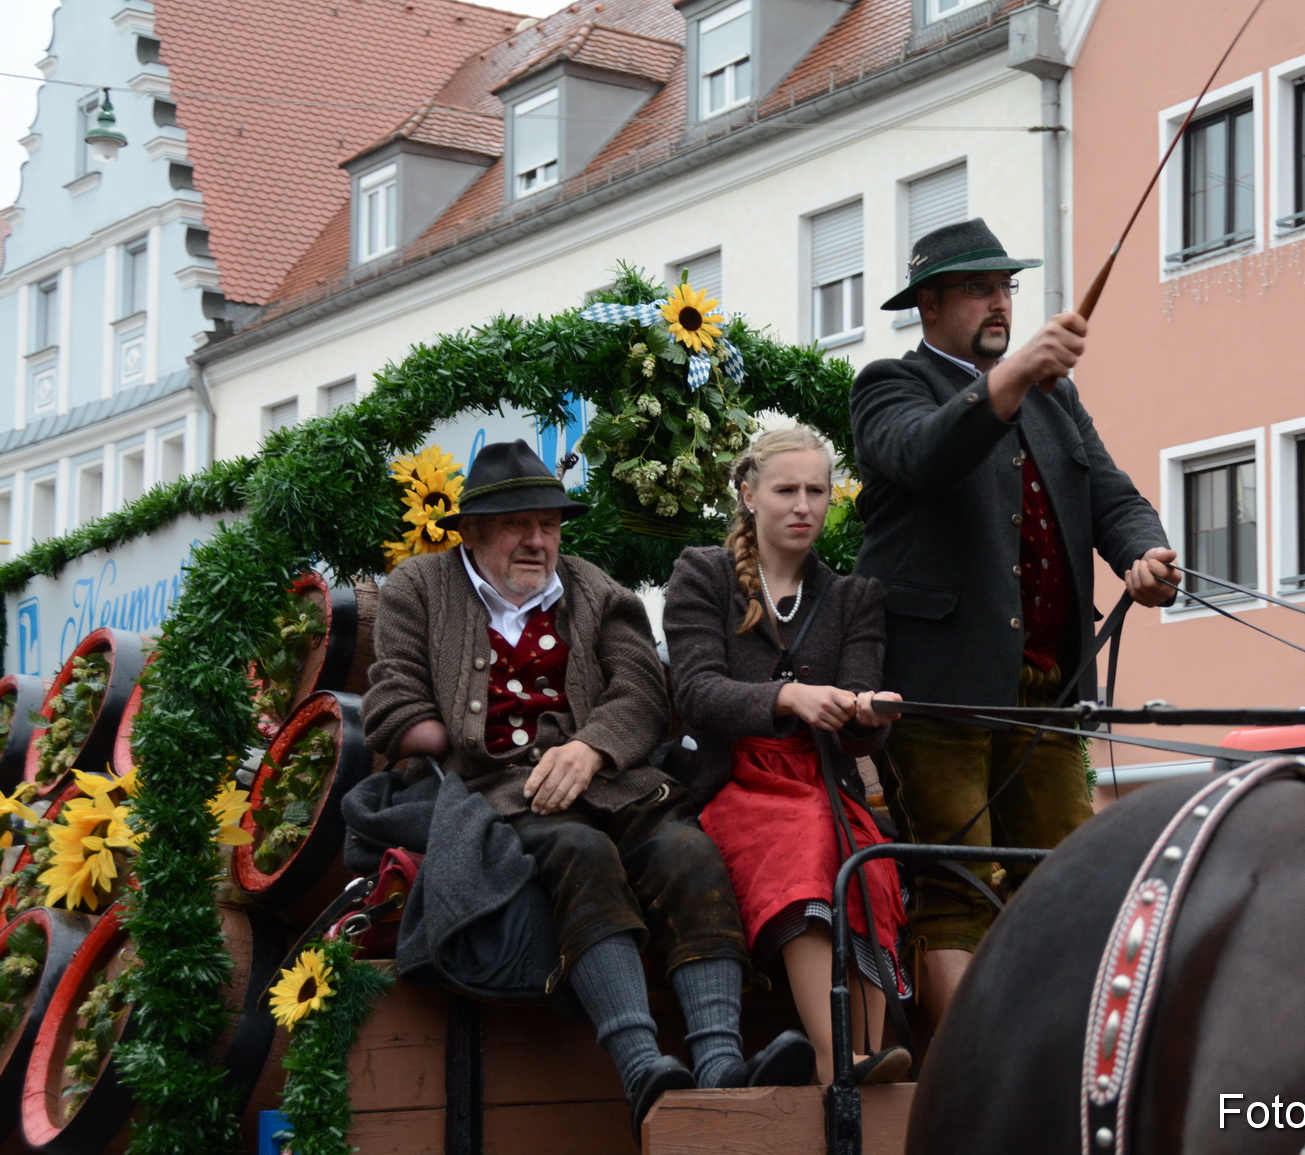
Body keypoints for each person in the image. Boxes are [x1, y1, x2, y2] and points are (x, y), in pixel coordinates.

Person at [362, 439, 814, 1142]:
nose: (537, 540)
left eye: (548, 523)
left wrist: (589, 747)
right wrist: (444, 736)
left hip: (612, 783)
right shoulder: (417, 588)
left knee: (689, 853)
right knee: (581, 853)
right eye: (517, 524)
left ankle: (722, 1064)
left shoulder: (599, 590)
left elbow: (641, 690)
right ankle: (642, 1070)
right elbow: (391, 700)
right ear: (474, 532)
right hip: (495, 796)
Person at [850, 218, 1182, 1021]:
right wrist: (1012, 378)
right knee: (957, 885)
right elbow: (926, 451)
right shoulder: (888, 384)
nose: (1000, 302)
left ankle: (1055, 1065)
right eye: (978, 288)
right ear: (927, 305)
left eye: (1006, 287)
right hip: (940, 692)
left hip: (1047, 690)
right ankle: (966, 1091)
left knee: (1066, 883)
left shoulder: (1054, 398)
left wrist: (1149, 555)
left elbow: (1111, 493)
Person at [662, 426, 911, 1086]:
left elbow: (857, 724)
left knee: (868, 857)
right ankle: (839, 1059)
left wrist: (866, 716)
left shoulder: (856, 596)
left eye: (817, 490)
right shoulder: (702, 574)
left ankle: (868, 1049)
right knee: (804, 844)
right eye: (786, 489)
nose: (803, 504)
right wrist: (790, 697)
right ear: (748, 494)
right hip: (738, 783)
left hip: (823, 782)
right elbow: (696, 690)